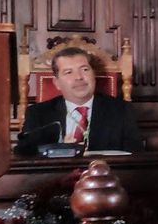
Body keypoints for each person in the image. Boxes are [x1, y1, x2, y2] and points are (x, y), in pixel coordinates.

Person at [14, 47, 143, 155]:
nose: (79, 77)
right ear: (57, 83)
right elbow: (23, 154)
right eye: (68, 72)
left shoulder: (121, 110)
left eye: (85, 70)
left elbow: (135, 155)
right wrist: (59, 151)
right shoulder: (38, 114)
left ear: (94, 75)